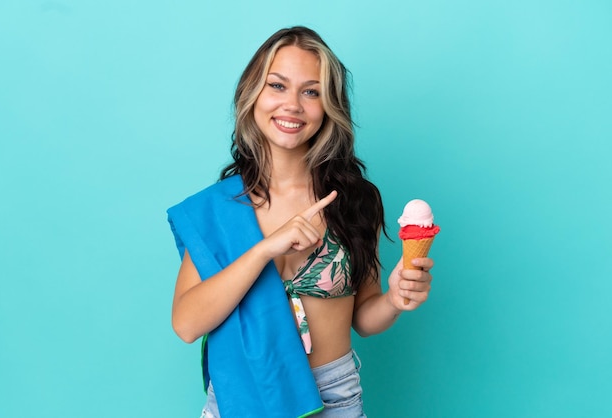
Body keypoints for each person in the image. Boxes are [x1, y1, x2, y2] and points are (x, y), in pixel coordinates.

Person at [168, 26, 434, 418]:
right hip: (243, 394)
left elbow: (363, 317)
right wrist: (265, 249)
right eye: (277, 86)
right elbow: (187, 324)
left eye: (311, 91)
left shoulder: (355, 201)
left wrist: (394, 300)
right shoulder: (217, 208)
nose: (292, 105)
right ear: (253, 94)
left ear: (329, 105)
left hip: (334, 396)